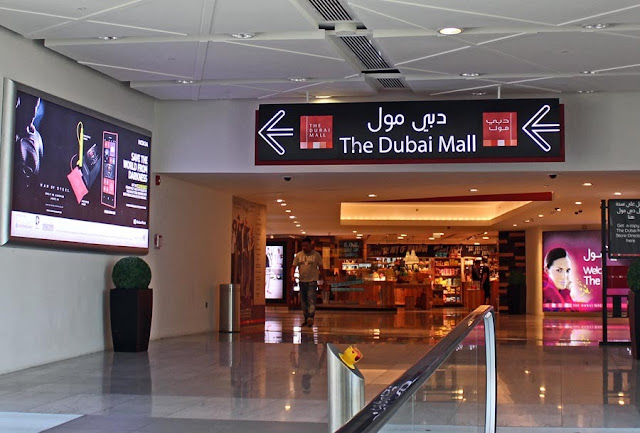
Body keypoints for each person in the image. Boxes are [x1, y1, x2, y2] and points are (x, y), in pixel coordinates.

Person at [291, 237, 324, 327]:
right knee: (304, 302)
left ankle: (311, 317)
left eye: (306, 245)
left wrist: (324, 279)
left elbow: (321, 267)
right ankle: (306, 318)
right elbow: (293, 267)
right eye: (303, 246)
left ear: (310, 246)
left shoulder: (316, 255)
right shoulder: (298, 255)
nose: (304, 247)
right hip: (302, 281)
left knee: (311, 300)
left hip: (312, 281)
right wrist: (292, 276)